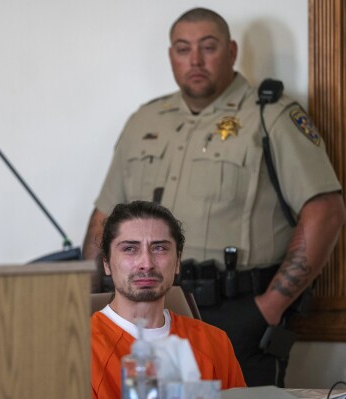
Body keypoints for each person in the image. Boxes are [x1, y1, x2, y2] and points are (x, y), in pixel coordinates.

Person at [84, 7, 346, 387]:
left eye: (208, 47)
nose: (195, 60)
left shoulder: (270, 116)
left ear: (232, 51)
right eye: (182, 48)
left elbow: (326, 211)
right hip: (143, 311)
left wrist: (268, 308)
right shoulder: (145, 120)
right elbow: (103, 218)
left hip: (236, 311)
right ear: (170, 55)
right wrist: (87, 300)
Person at [91, 200, 246, 398]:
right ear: (106, 263)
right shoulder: (80, 351)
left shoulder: (215, 342)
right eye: (130, 249)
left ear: (178, 261)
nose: (146, 264)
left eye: (159, 248)